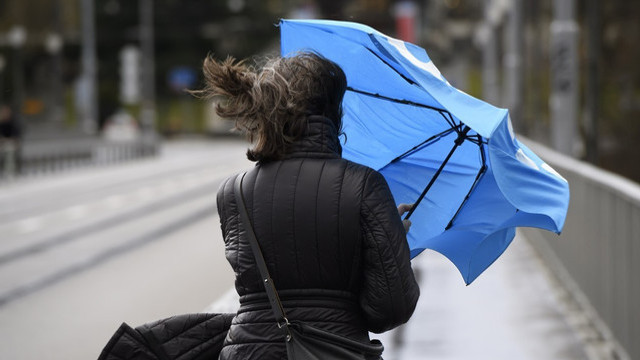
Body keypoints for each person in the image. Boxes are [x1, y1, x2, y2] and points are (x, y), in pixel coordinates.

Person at [204, 52, 420, 359]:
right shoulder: (364, 185)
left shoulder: (233, 193)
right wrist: (394, 243)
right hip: (336, 350)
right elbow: (389, 309)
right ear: (335, 113)